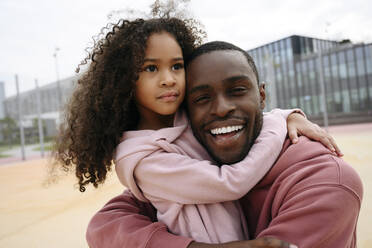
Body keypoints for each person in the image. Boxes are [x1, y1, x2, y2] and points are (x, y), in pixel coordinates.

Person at [86, 41, 363, 248]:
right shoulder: (194, 161)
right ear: (185, 113)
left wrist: (281, 117)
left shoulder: (326, 183)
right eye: (201, 99)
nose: (220, 109)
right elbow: (105, 225)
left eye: (237, 90)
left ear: (262, 96)